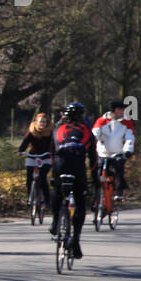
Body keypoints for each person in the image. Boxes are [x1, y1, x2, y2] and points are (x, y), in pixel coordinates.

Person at [50, 101, 94, 260]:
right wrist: (94, 183)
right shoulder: (87, 131)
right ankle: (75, 240)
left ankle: (55, 222)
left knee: (56, 190)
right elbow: (94, 160)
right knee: (80, 202)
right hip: (77, 168)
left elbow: (51, 153)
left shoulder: (57, 130)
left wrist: (53, 174)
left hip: (60, 166)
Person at [91, 99, 135, 201]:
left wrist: (128, 149)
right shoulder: (101, 121)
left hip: (117, 152)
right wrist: (90, 147)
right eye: (121, 109)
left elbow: (130, 137)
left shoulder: (126, 122)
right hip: (102, 152)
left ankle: (119, 192)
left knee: (119, 168)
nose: (123, 112)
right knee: (98, 173)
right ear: (114, 110)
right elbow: (94, 134)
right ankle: (96, 196)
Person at [17, 111, 55, 210]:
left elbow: (52, 144)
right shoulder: (32, 130)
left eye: (44, 122)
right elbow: (25, 141)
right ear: (36, 122)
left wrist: (52, 153)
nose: (42, 124)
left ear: (47, 123)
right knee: (29, 176)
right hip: (32, 155)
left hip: (45, 156)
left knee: (42, 177)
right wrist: (20, 151)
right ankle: (30, 196)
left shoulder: (50, 132)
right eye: (40, 121)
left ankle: (47, 201)